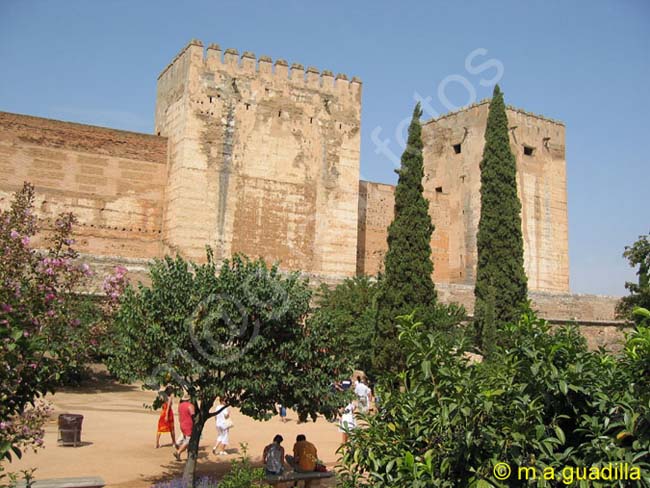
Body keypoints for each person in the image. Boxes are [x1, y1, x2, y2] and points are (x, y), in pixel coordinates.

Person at [174, 394, 194, 461]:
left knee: (184, 437)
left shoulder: (180, 406)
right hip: (188, 425)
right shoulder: (190, 406)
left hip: (182, 424)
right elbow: (193, 415)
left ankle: (179, 453)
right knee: (188, 440)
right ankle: (178, 451)